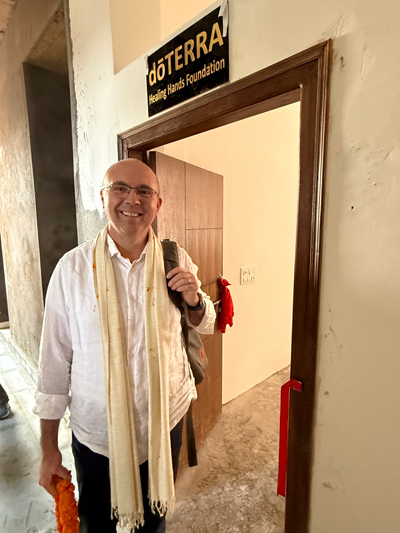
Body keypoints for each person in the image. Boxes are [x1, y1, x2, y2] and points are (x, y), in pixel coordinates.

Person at [34, 159, 216, 533]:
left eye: (144, 191)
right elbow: (53, 366)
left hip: (165, 423)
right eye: (120, 188)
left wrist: (196, 299)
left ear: (158, 203)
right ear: (102, 198)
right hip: (97, 436)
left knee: (155, 521)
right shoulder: (72, 271)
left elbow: (206, 322)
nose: (132, 200)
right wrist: (48, 449)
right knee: (97, 524)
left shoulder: (174, 258)